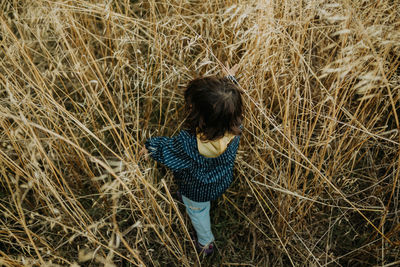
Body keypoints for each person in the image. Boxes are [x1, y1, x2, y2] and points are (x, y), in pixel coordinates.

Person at [142, 64, 243, 256]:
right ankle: (209, 201)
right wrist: (230, 81)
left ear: (200, 117)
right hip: (221, 180)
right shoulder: (235, 125)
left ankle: (206, 243)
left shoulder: (188, 144)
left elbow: (167, 151)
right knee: (207, 200)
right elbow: (227, 104)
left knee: (198, 213)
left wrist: (150, 146)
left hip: (195, 191)